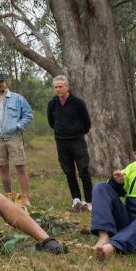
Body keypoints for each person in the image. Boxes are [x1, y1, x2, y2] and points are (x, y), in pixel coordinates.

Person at [0, 73, 33, 206]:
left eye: (3, 82)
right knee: (3, 168)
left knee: (20, 166)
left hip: (14, 137)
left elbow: (28, 114)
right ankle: (9, 197)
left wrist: (19, 126)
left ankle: (25, 198)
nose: (1, 84)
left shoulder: (17, 98)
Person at [47, 75, 92, 212]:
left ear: (67, 87)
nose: (58, 89)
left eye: (60, 86)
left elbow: (87, 123)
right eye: (55, 87)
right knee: (69, 172)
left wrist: (76, 132)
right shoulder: (52, 103)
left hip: (77, 141)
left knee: (83, 170)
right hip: (61, 142)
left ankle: (89, 202)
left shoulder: (78, 102)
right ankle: (76, 200)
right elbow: (51, 122)